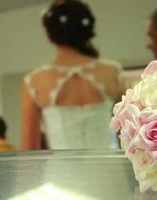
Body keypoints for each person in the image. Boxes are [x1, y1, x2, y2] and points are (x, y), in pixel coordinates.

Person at [22, 0, 124, 150]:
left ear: (50, 35)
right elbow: (128, 138)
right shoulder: (112, 71)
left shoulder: (35, 81)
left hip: (59, 173)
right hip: (108, 172)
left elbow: (29, 148)